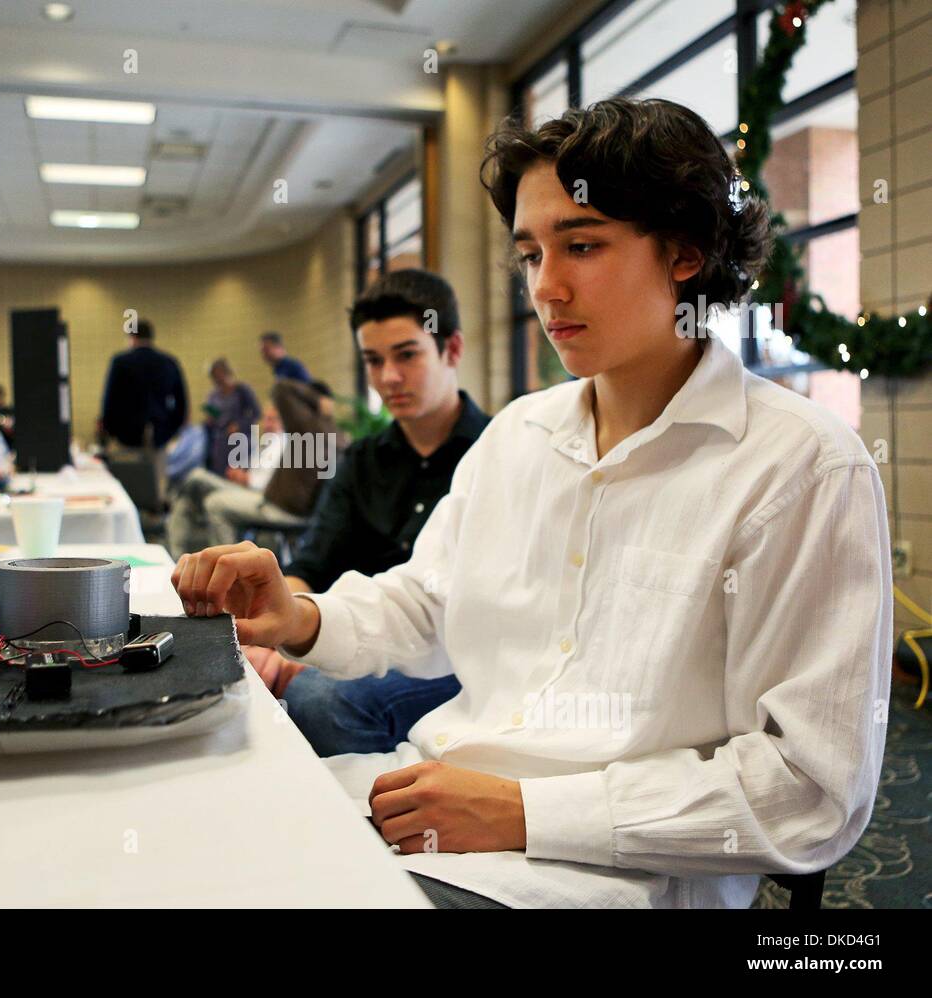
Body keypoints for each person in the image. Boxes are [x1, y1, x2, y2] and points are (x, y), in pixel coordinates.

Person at [173, 97, 891, 909]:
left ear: (687, 253)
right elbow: (430, 599)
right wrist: (300, 616)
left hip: (595, 876)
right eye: (529, 255)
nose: (546, 288)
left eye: (582, 246)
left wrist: (525, 811)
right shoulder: (520, 435)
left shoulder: (800, 466)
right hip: (416, 807)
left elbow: (810, 791)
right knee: (178, 850)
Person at [244, 269, 489, 758]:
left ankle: (364, 825)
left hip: (453, 657)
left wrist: (316, 653)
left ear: (453, 350)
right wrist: (276, 634)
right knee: (246, 674)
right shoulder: (362, 460)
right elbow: (310, 567)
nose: (388, 378)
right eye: (374, 361)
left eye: (407, 355)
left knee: (320, 700)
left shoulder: (496, 453)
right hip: (351, 633)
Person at [166, 406, 286, 557]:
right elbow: (256, 474)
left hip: (256, 496)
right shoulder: (266, 443)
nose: (267, 423)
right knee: (186, 501)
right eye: (266, 418)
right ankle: (175, 559)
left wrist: (246, 479)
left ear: (284, 421)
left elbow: (269, 483)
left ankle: (225, 561)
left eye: (273, 419)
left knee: (197, 476)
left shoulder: (283, 443)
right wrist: (240, 475)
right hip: (242, 490)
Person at [100, 318, 188, 449]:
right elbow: (181, 401)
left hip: (127, 433)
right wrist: (171, 430)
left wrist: (111, 430)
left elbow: (111, 399)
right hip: (159, 432)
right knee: (157, 468)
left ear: (132, 337)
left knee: (131, 469)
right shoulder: (169, 362)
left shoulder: (121, 362)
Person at [204, 358, 261, 476]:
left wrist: (239, 425)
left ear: (228, 373)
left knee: (239, 475)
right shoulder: (213, 396)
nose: (218, 379)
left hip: (241, 440)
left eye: (220, 375)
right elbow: (212, 419)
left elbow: (256, 413)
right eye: (215, 377)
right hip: (221, 443)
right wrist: (210, 420)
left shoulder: (242, 390)